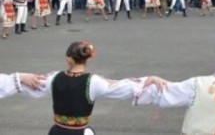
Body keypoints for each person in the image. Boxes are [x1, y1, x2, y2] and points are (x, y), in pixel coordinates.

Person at [17, 41, 145, 135]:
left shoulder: (54, 77)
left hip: (57, 132)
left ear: (68, 60)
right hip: (80, 132)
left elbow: (31, 83)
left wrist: (18, 78)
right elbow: (123, 87)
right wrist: (148, 81)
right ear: (87, 59)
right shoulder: (93, 81)